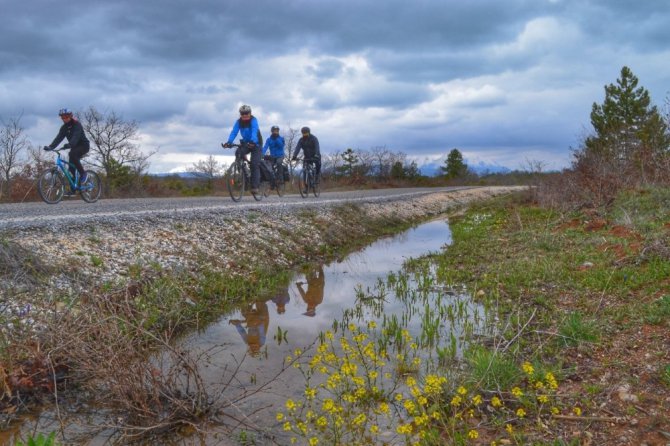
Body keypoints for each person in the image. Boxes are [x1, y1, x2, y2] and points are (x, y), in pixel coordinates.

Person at [43, 108, 91, 194]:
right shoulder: (64, 128)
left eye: (66, 117)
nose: (64, 119)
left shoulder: (77, 125)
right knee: (71, 168)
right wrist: (51, 147)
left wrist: (70, 144)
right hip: (74, 147)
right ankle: (73, 190)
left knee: (72, 154)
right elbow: (58, 138)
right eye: (62, 117)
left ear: (70, 116)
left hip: (83, 145)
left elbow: (76, 136)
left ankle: (84, 174)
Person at [222, 104, 261, 194]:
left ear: (250, 113)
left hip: (256, 143)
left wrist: (253, 141)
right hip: (246, 143)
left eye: (246, 113)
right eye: (242, 113)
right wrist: (229, 142)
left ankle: (255, 187)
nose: (244, 115)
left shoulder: (253, 120)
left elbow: (255, 130)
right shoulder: (238, 122)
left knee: (254, 164)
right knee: (238, 153)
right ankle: (243, 175)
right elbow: (234, 132)